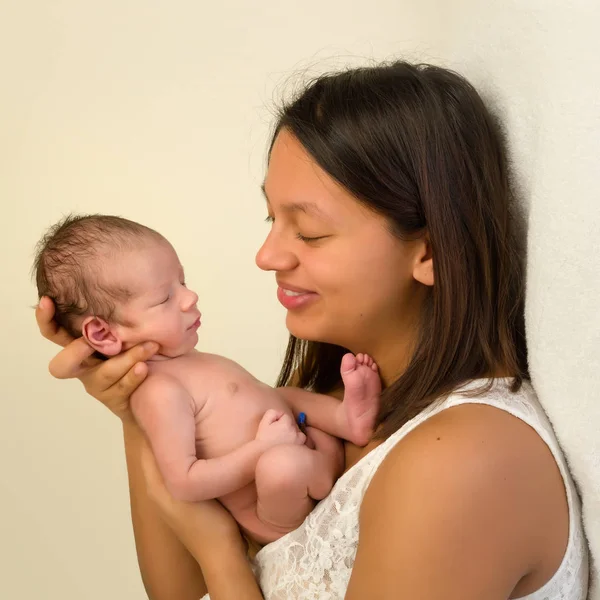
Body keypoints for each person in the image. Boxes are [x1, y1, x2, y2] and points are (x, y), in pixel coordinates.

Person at [36, 60, 588, 599]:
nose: (267, 255)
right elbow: (174, 589)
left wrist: (223, 558)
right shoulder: (323, 399)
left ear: (431, 251)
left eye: (310, 232)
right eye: (271, 220)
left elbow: (202, 571)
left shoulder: (461, 465)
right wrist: (139, 386)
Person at [33, 213, 381, 544]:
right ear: (104, 333)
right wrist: (262, 449)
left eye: (182, 282)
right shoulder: (158, 391)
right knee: (281, 465)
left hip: (293, 443)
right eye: (165, 297)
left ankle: (346, 420)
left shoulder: (184, 359)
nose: (190, 297)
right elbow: (185, 482)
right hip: (273, 510)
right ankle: (320, 462)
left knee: (286, 395)